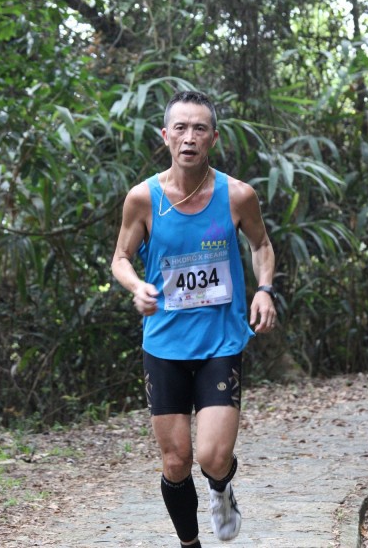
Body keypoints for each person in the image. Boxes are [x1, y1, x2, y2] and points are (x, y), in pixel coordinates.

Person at [111, 90, 277, 547]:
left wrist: (264, 290)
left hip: (220, 341)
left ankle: (221, 489)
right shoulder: (143, 198)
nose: (189, 137)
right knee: (175, 462)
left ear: (213, 138)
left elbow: (261, 245)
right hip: (164, 344)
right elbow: (121, 258)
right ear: (165, 136)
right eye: (180, 128)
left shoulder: (237, 195)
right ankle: (190, 545)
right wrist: (137, 286)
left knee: (212, 458)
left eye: (199, 128)